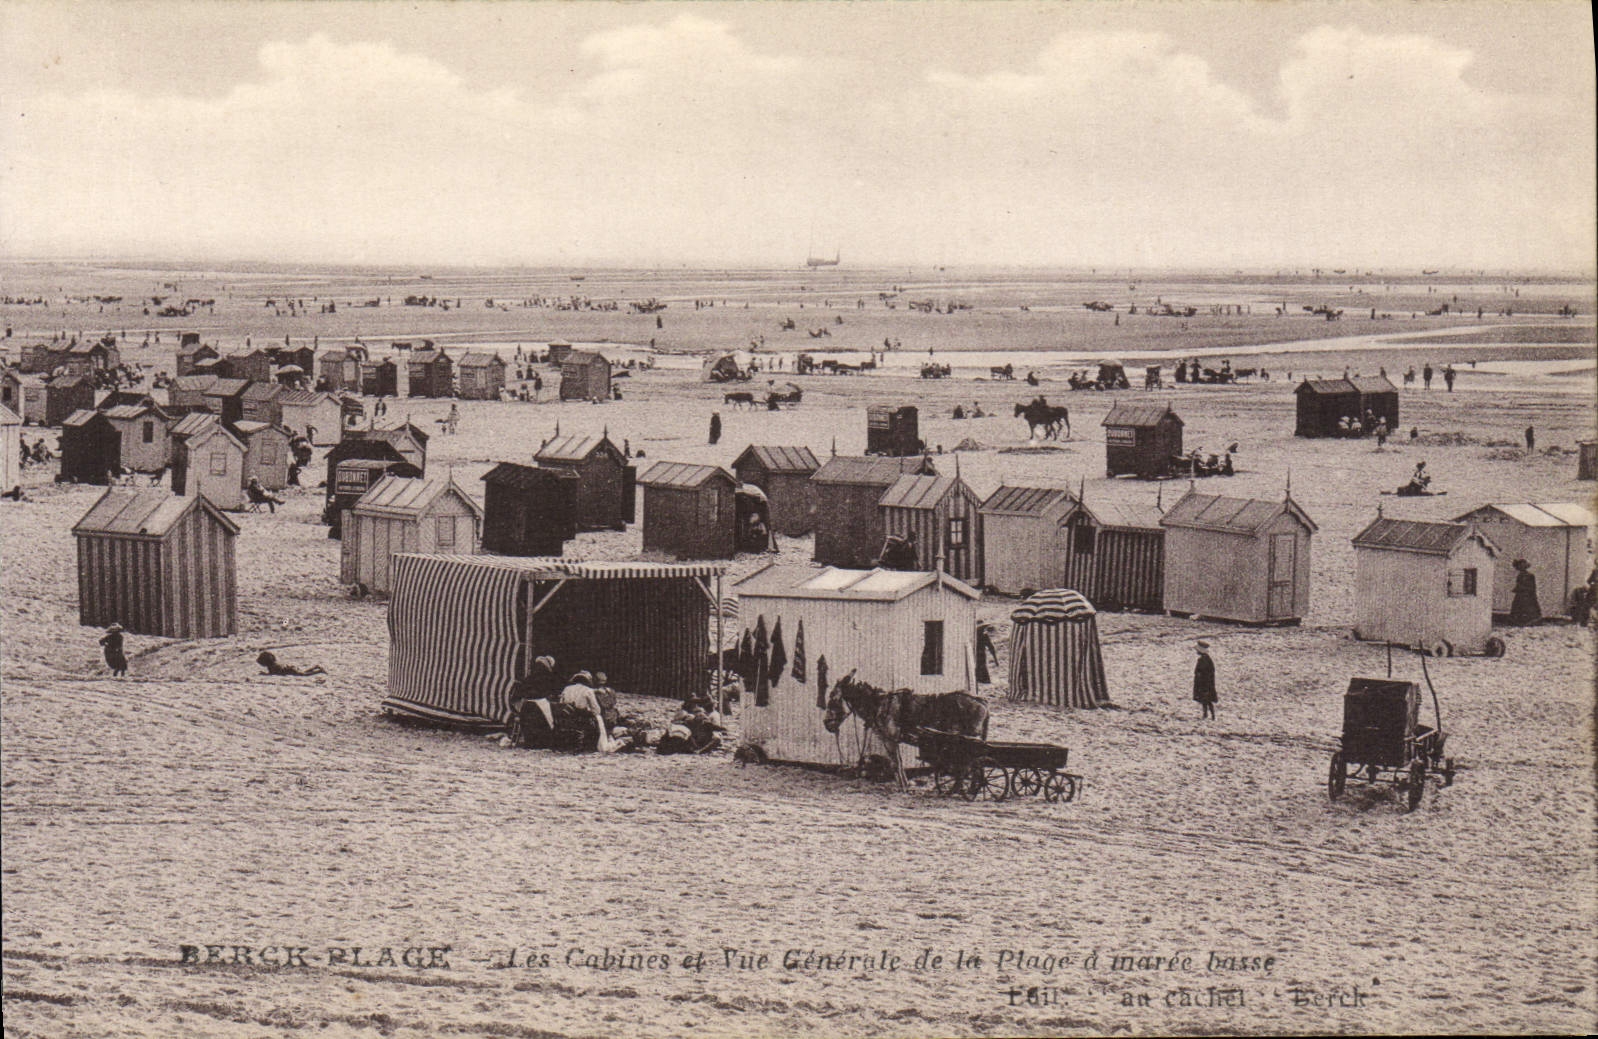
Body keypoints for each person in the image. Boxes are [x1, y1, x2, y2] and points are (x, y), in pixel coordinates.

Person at [1508, 559, 1542, 626]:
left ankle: (1529, 622)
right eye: (1519, 566)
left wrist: (1530, 592)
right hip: (1520, 594)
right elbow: (1518, 584)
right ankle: (1518, 622)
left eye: (1522, 566)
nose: (1521, 568)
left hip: (1528, 594)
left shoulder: (1530, 575)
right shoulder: (1519, 576)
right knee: (1518, 607)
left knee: (1529, 607)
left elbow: (1532, 586)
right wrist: (1516, 589)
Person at [1192, 641, 1217, 720]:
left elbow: (1203, 672)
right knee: (1205, 700)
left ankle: (1210, 715)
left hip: (1204, 683)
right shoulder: (1206, 659)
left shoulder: (1204, 660)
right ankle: (1207, 714)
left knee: (1206, 700)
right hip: (1205, 683)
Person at [256, 650, 326, 676]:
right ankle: (315, 667)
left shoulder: (272, 666)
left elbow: (273, 673)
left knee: (304, 674)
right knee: (303, 672)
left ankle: (319, 671)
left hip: (289, 670)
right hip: (290, 668)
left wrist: (264, 674)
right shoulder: (273, 665)